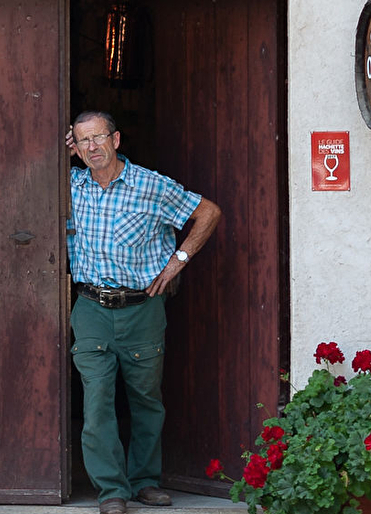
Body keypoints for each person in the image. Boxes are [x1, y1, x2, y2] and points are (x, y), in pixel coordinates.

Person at [65, 111, 223, 514]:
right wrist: (58, 152)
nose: (92, 147)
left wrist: (178, 261)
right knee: (96, 402)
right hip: (91, 307)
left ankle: (144, 482)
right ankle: (111, 491)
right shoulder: (68, 185)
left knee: (146, 400)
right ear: (75, 147)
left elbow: (208, 212)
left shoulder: (151, 184)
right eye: (83, 141)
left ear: (116, 139)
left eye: (99, 138)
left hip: (143, 308)